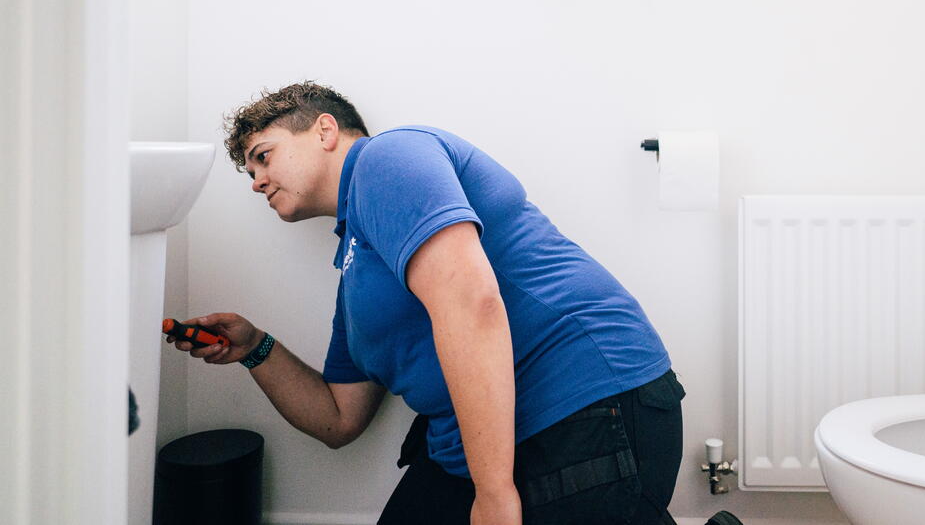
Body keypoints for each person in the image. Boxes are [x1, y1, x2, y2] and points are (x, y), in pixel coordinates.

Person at [167, 82, 685, 525]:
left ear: (325, 131)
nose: (256, 181)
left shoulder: (386, 158)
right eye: (250, 172)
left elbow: (470, 302)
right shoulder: (358, 267)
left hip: (583, 408)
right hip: (476, 450)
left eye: (263, 156)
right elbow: (339, 418)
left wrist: (495, 494)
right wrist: (254, 348)